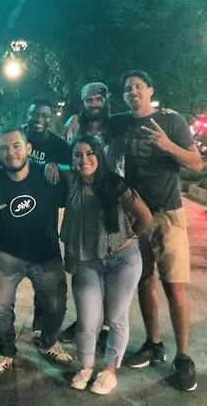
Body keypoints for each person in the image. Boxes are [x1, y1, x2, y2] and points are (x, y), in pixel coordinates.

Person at [119, 70, 203, 392]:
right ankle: (154, 344)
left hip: (168, 215)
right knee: (144, 281)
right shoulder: (124, 123)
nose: (133, 92)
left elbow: (196, 163)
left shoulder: (171, 120)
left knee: (174, 287)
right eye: (128, 88)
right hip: (137, 215)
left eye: (138, 86)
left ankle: (183, 357)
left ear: (150, 90)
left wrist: (168, 146)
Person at [0, 126, 71, 378]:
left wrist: (57, 165)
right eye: (4, 148)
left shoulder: (47, 176)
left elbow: (81, 174)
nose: (10, 152)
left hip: (46, 254)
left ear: (29, 149)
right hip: (7, 254)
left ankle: (48, 343)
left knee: (56, 305)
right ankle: (6, 350)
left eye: (16, 146)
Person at [60, 135, 152, 395]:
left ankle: (110, 370)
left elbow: (145, 217)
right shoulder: (71, 180)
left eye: (90, 153)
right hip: (87, 260)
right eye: (78, 154)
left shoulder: (114, 183)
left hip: (122, 261)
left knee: (116, 317)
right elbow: (52, 167)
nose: (84, 159)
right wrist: (51, 165)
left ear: (99, 155)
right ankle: (86, 367)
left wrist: (126, 238)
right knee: (87, 320)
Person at [59, 82, 125, 346]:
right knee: (80, 264)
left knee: (108, 263)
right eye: (89, 100)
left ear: (106, 100)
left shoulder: (118, 125)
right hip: (81, 202)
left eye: (98, 99)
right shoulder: (76, 128)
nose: (94, 104)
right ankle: (85, 319)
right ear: (83, 102)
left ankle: (107, 324)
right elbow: (68, 157)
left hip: (110, 200)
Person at [22, 97, 72, 338]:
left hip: (45, 218)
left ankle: (40, 320)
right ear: (27, 115)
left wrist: (55, 165)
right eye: (34, 114)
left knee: (46, 275)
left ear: (50, 118)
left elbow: (74, 170)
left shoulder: (59, 146)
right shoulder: (18, 137)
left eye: (44, 115)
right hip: (14, 214)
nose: (38, 119)